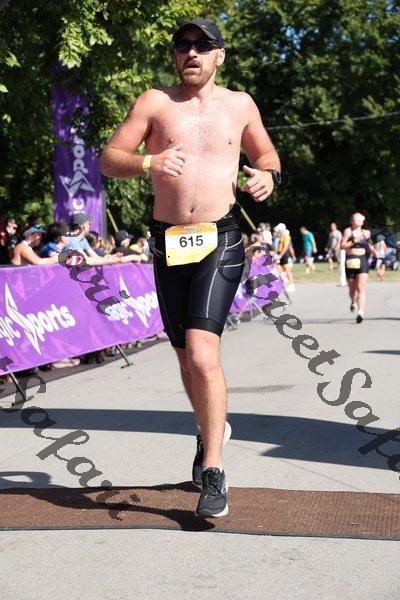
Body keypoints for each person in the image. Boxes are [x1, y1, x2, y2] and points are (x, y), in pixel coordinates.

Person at [100, 17, 281, 517]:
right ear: (175, 55)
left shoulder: (240, 105)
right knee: (184, 356)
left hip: (220, 239)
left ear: (220, 55)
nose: (192, 53)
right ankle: (209, 429)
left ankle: (215, 471)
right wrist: (149, 163)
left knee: (202, 353)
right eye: (183, 45)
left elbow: (267, 153)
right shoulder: (155, 102)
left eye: (203, 46)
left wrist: (268, 176)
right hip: (168, 242)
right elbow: (109, 158)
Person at [341, 212, 375, 323]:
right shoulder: (348, 231)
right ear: (352, 221)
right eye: (356, 219)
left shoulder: (366, 233)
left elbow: (371, 245)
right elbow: (342, 246)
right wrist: (354, 241)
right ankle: (353, 301)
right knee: (352, 289)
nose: (359, 221)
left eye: (360, 219)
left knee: (360, 287)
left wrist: (374, 250)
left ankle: (360, 312)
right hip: (350, 261)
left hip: (362, 260)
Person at [274, 223, 295, 292]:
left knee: (287, 270)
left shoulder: (286, 236)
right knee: (277, 267)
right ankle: (283, 280)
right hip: (280, 254)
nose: (278, 231)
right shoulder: (281, 236)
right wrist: (277, 254)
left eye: (279, 230)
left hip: (285, 255)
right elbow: (278, 246)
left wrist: (281, 255)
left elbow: (286, 247)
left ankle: (292, 285)